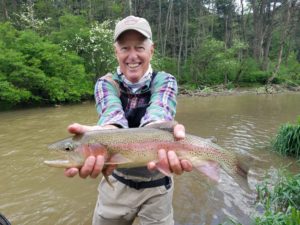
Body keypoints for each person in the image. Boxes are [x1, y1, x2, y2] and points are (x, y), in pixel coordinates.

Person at [64, 15, 193, 225]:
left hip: (158, 187)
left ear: (152, 49)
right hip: (117, 183)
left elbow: (158, 113)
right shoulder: (105, 84)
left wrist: (158, 132)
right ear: (116, 52)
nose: (132, 56)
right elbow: (112, 119)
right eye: (125, 48)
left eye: (139, 47)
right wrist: (103, 133)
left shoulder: (165, 81)